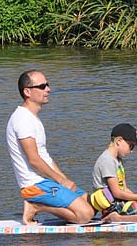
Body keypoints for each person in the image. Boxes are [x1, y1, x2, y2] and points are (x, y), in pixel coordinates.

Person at [7, 70, 96, 225]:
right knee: (85, 214)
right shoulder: (22, 119)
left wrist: (65, 180)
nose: (48, 89)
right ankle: (36, 205)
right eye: (42, 86)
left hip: (46, 182)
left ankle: (43, 203)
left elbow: (45, 157)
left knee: (92, 205)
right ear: (27, 92)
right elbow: (34, 160)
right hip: (34, 185)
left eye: (47, 84)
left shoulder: (32, 119)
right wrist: (61, 181)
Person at [88, 123, 137, 223]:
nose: (131, 151)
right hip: (112, 204)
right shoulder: (107, 161)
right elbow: (117, 193)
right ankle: (114, 217)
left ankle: (124, 215)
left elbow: (124, 188)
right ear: (119, 141)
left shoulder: (118, 160)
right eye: (130, 146)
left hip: (120, 200)